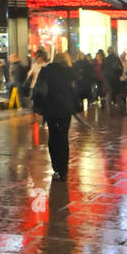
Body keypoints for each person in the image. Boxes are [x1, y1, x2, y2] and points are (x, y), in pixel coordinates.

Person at [33, 50, 78, 180]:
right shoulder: (69, 72)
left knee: (53, 136)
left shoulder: (46, 71)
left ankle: (56, 167)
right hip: (65, 108)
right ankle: (63, 169)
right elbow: (76, 86)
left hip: (50, 108)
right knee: (63, 137)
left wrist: (37, 109)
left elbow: (39, 90)